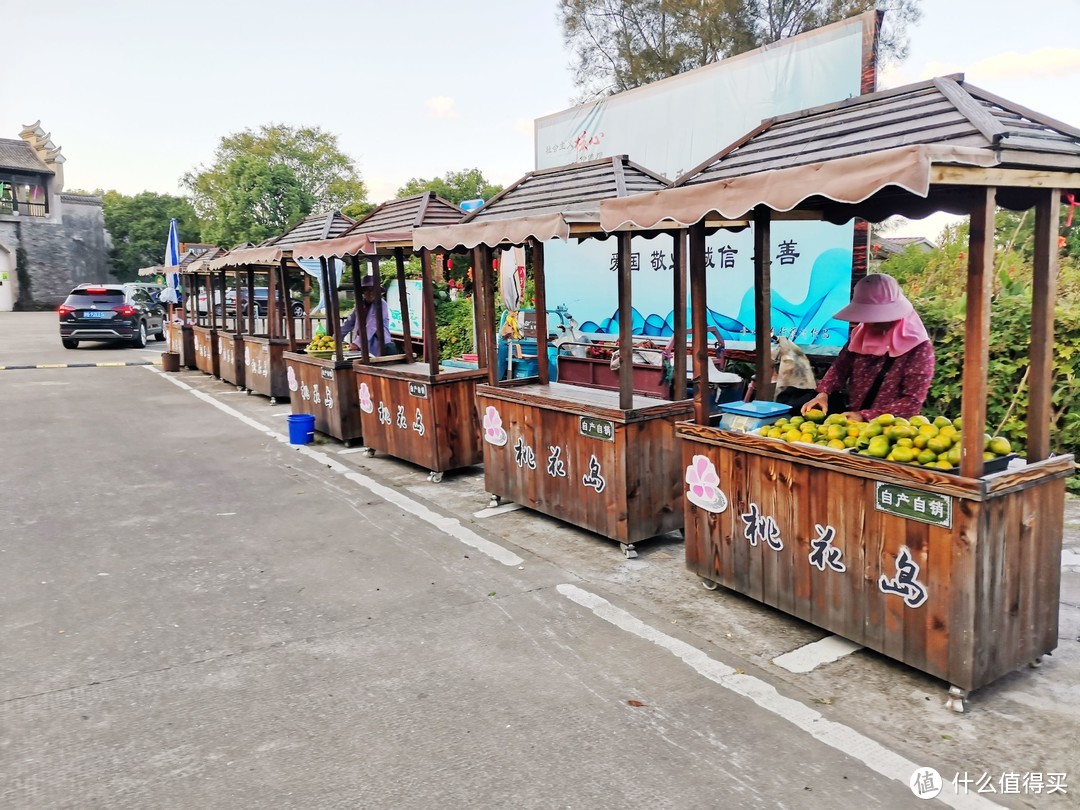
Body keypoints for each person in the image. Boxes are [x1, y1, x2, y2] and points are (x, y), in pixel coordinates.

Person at [800, 273, 935, 421]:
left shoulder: (919, 347)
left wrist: (864, 416)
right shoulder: (860, 335)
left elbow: (912, 403)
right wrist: (823, 394)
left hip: (895, 432)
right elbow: (840, 369)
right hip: (853, 427)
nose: (871, 322)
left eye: (877, 316)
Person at [341, 275, 394, 356]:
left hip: (379, 345)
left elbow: (372, 325)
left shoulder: (381, 304)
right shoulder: (360, 305)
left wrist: (357, 343)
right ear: (363, 292)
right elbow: (349, 322)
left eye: (373, 290)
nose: (370, 293)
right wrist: (336, 337)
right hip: (364, 346)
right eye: (367, 290)